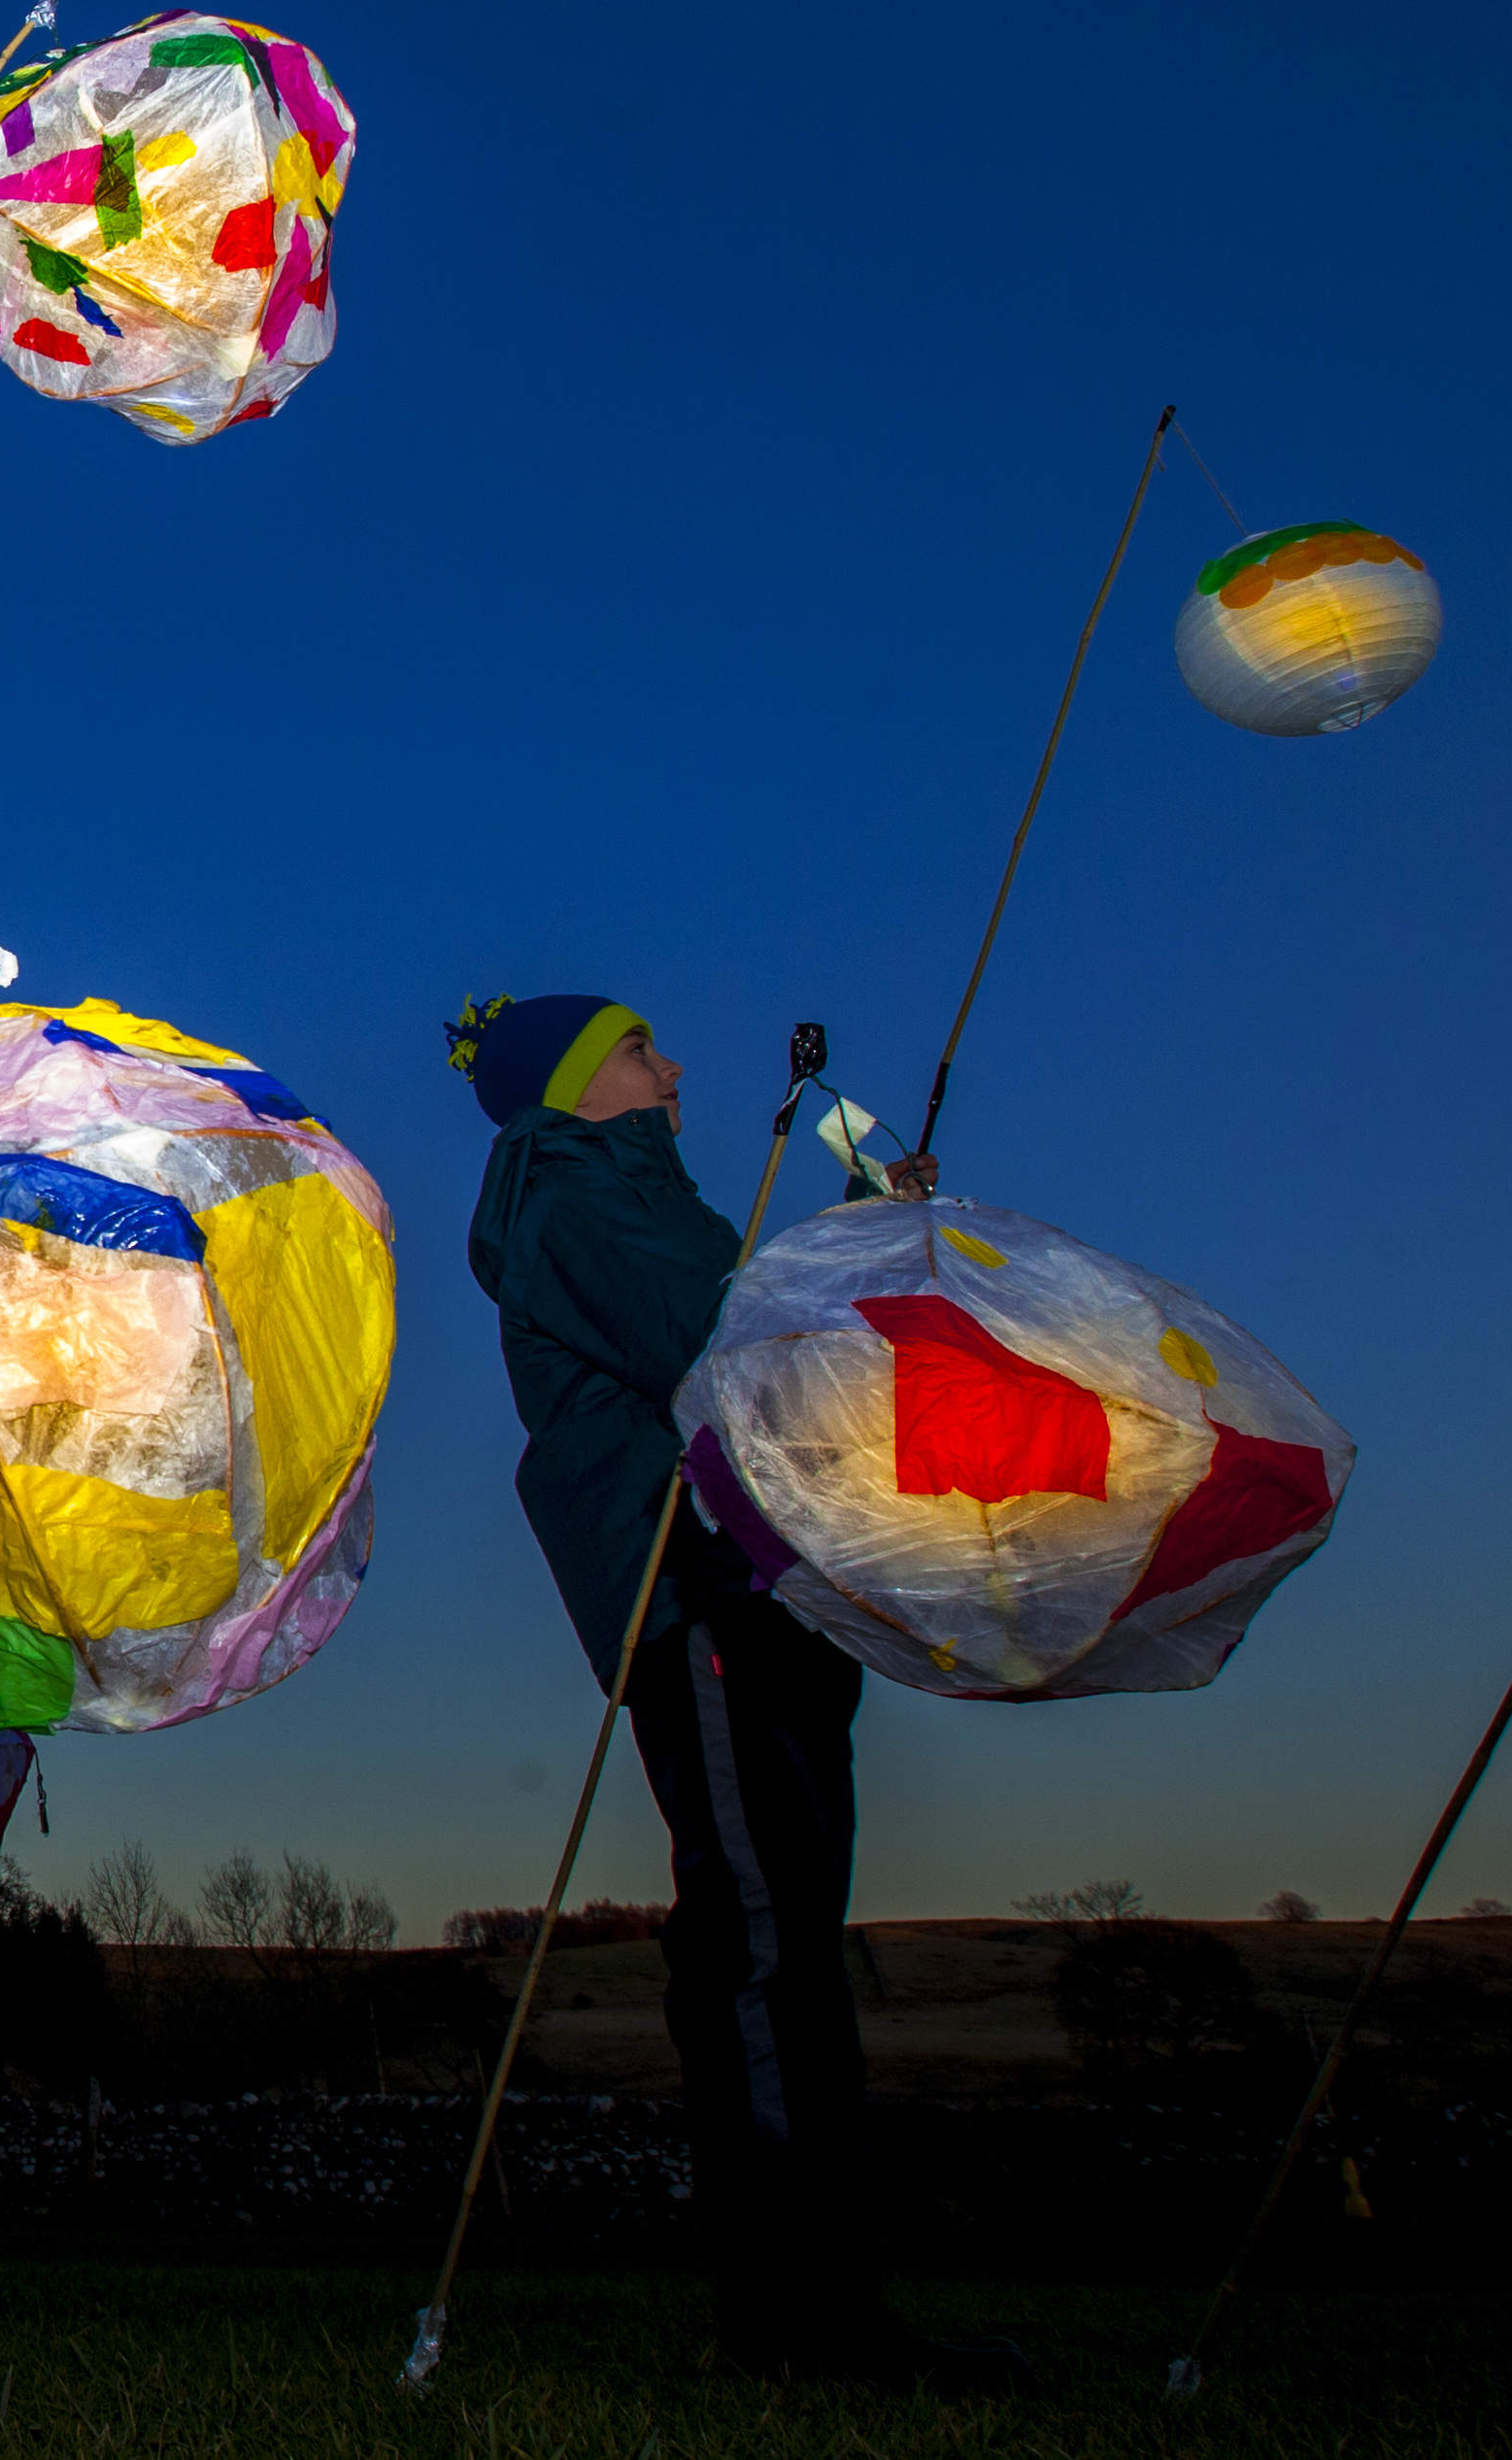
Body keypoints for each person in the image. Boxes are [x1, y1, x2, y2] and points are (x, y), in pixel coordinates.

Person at [454, 993, 1018, 2389]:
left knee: (786, 1938)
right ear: (581, 1086)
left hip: (762, 1585)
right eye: (645, 1049)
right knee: (761, 1945)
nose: (677, 1065)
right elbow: (727, 1346)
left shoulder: (644, 1198)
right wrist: (848, 1246)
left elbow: (763, 1343)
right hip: (699, 1588)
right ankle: (799, 2324)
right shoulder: (570, 1199)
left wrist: (859, 1218)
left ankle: (821, 2306)